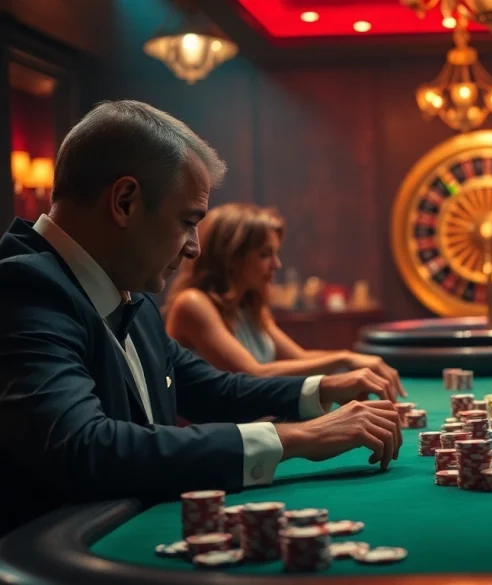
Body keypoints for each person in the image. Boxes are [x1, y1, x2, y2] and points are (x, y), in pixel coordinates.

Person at [0, 100, 404, 536]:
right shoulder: (23, 288)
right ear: (125, 201)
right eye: (187, 221)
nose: (194, 247)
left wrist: (323, 387)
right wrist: (295, 439)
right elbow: (84, 447)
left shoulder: (126, 288)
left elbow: (211, 387)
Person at [163, 202, 401, 392]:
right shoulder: (192, 304)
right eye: (265, 254)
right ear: (232, 257)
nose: (276, 265)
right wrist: (346, 359)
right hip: (210, 442)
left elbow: (301, 359)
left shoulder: (249, 306)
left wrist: (359, 365)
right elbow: (252, 373)